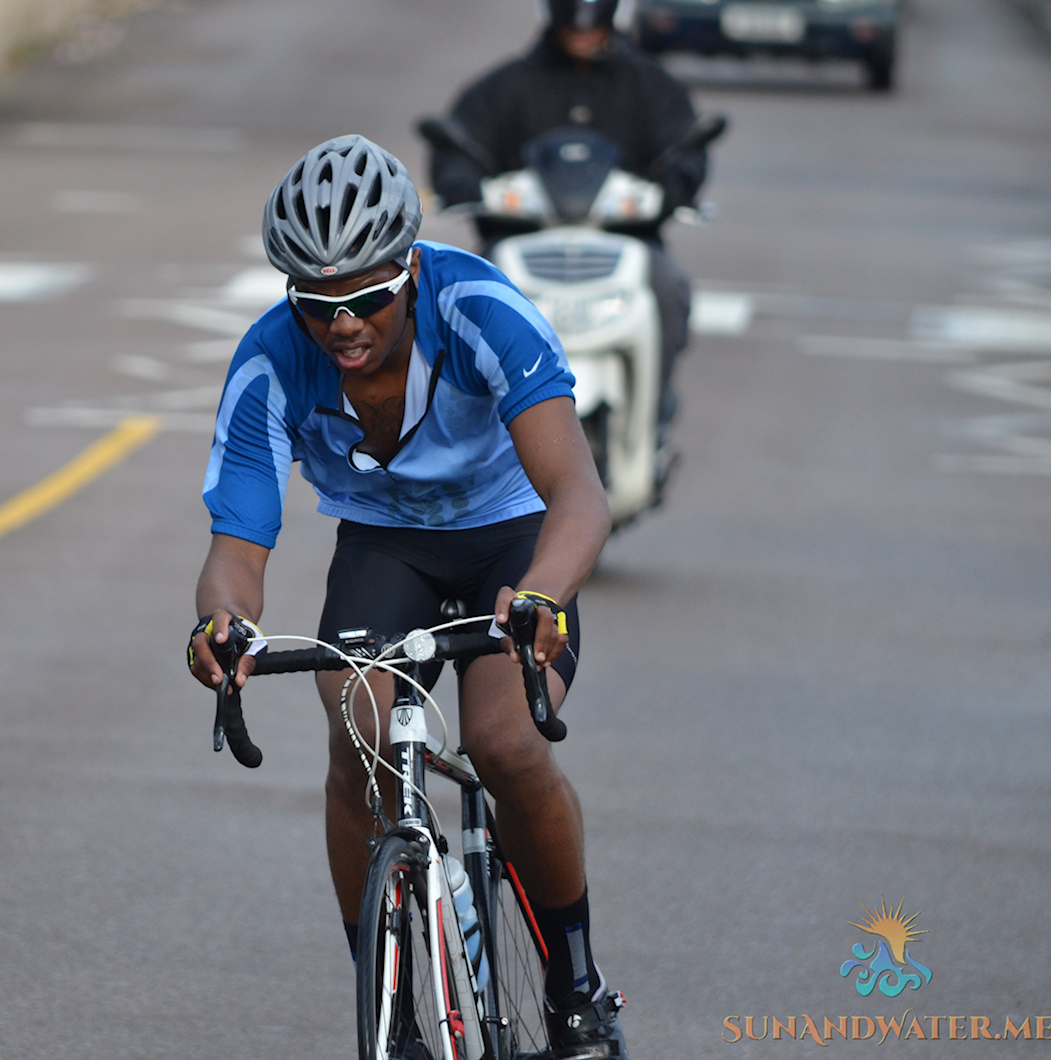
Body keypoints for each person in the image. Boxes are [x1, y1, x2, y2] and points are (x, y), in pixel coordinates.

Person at [187, 134, 626, 1059]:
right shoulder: (271, 361)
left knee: (506, 745)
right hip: (387, 548)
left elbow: (579, 494)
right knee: (359, 737)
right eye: (317, 305)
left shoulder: (479, 311)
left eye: (368, 300)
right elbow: (236, 549)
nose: (343, 325)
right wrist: (223, 626)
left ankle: (575, 985)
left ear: (411, 268)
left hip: (512, 540)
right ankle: (390, 1010)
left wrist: (542, 597)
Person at [429, 0, 705, 430]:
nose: (582, 32)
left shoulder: (649, 86)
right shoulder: (506, 86)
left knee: (667, 288)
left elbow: (685, 147)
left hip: (628, 245)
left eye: (592, 24)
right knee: (464, 302)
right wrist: (463, 181)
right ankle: (467, 425)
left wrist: (676, 183)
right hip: (517, 242)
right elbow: (458, 145)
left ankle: (651, 410)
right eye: (572, 23)